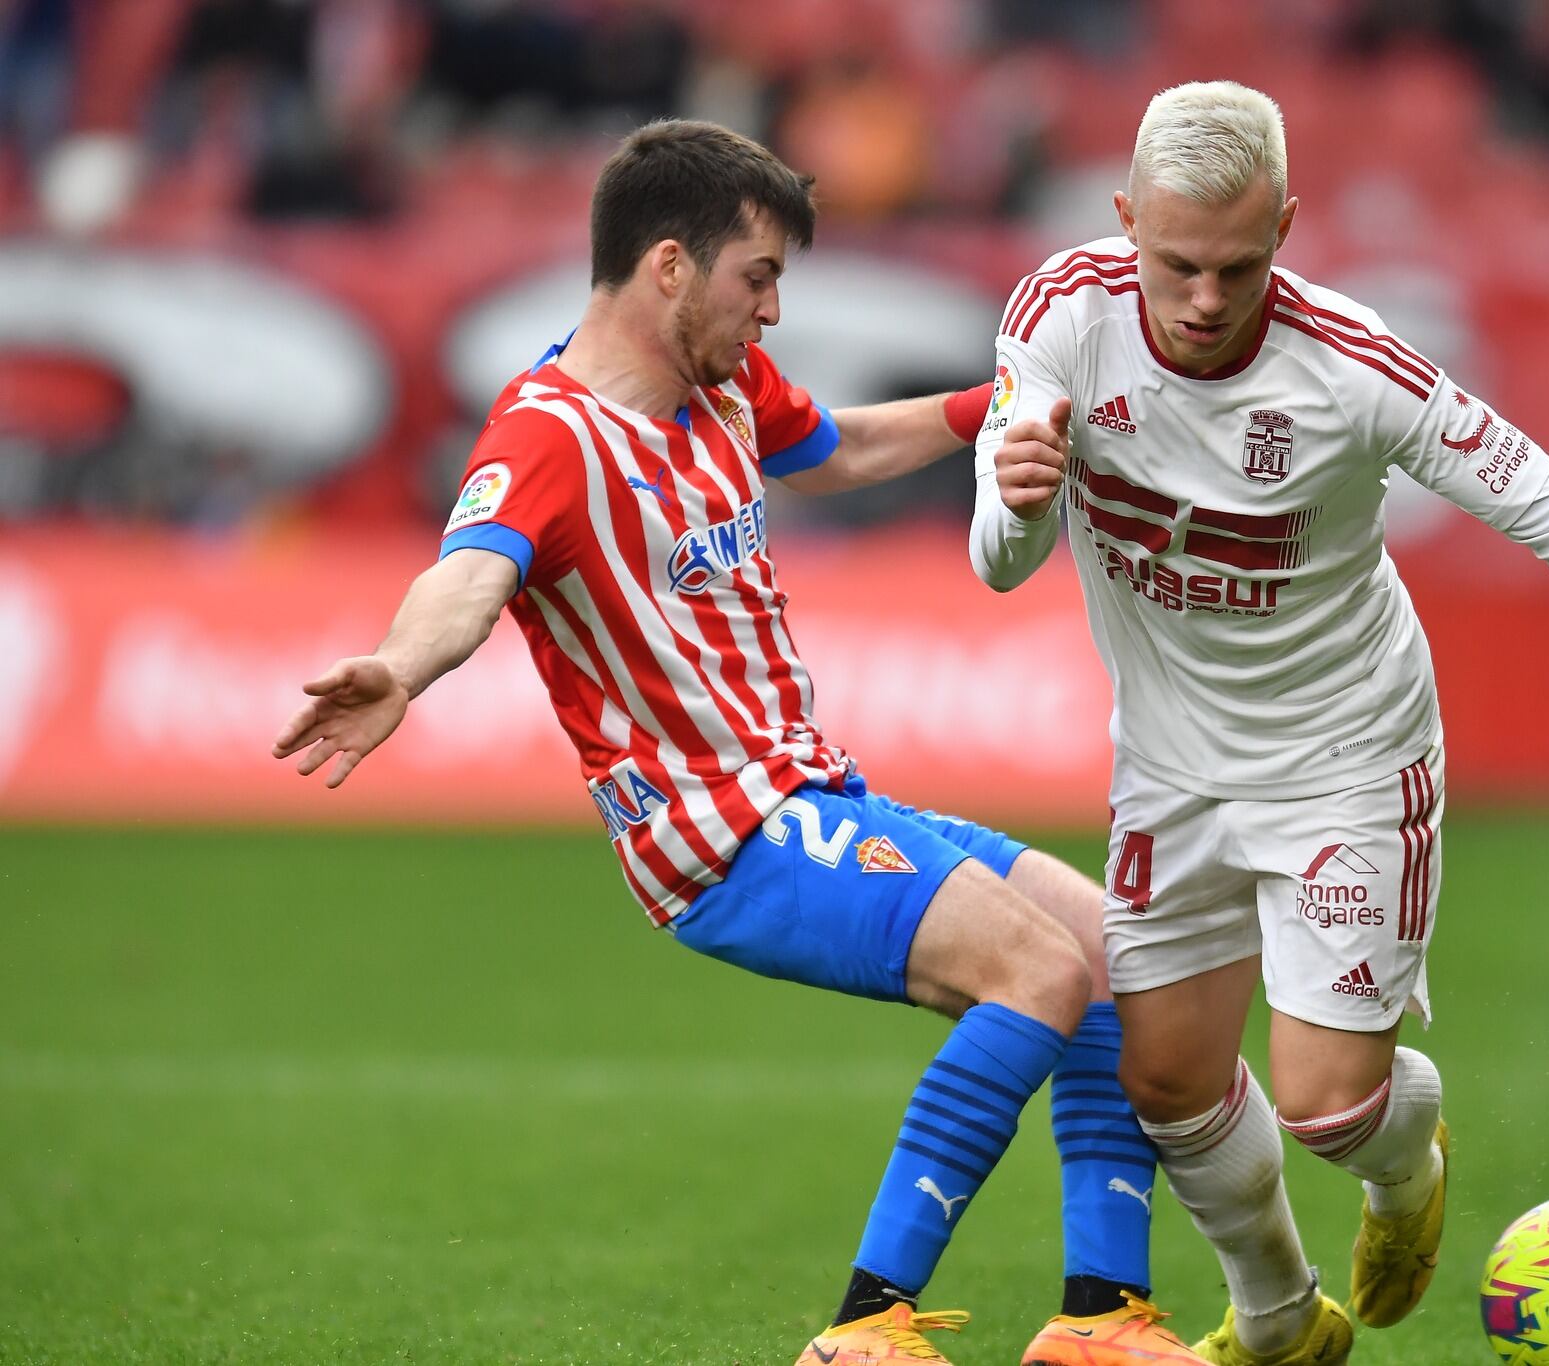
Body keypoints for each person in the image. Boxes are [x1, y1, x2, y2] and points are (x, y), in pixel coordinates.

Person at [272, 119, 1203, 1366]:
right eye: (755, 278)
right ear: (669, 267)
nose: (770, 312)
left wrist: (1006, 408)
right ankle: (865, 1330)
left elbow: (840, 449)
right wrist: (397, 665)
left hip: (810, 794)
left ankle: (1097, 1322)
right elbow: (467, 575)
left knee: (1112, 953)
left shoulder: (719, 388)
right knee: (1036, 975)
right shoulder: (547, 437)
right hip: (717, 835)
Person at [970, 82, 1549, 1366]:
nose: (1206, 300)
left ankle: (1406, 1160)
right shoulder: (1059, 315)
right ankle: (1279, 1318)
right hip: (1167, 760)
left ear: (1285, 222)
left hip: (1343, 755)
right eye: (1174, 264)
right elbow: (1003, 560)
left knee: (1331, 1108)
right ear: (1122, 222)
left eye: (1238, 264)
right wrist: (1013, 500)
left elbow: (1546, 502)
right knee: (1162, 1081)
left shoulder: (1353, 367)